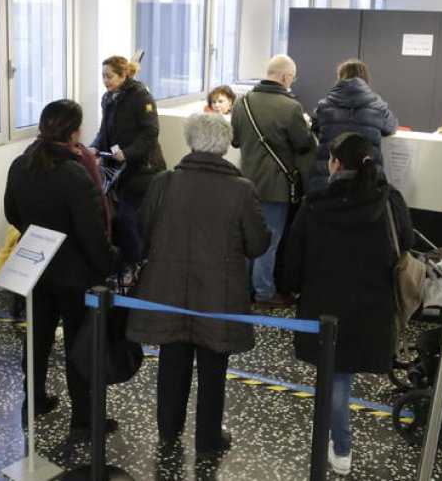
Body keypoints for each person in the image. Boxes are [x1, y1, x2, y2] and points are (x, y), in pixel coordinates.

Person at [127, 114, 270, 455]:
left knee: (172, 360)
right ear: (223, 147)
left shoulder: (164, 182)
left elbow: (144, 229)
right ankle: (208, 439)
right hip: (218, 295)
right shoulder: (241, 190)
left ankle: (168, 429)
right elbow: (258, 244)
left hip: (169, 290)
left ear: (191, 142)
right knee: (213, 367)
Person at [281, 132, 413, 477]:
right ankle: (338, 445)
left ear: (335, 163)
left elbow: (293, 260)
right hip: (371, 304)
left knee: (334, 376)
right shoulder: (389, 199)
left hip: (324, 303)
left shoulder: (315, 203)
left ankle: (341, 447)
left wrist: (291, 288)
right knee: (343, 377)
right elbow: (407, 243)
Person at [5, 99, 119, 441]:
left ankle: (34, 401)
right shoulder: (75, 173)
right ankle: (83, 420)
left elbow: (12, 214)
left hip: (34, 268)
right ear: (73, 132)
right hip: (74, 273)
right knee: (78, 345)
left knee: (37, 338)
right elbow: (92, 233)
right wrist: (110, 264)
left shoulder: (20, 164)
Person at [230, 54, 316, 309]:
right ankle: (265, 292)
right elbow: (302, 145)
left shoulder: (241, 102)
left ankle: (241, 288)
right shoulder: (291, 108)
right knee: (269, 241)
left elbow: (235, 140)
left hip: (244, 181)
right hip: (276, 185)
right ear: (286, 77)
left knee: (245, 237)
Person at [90, 56, 166, 271]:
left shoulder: (141, 96)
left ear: (123, 75)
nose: (105, 80)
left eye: (109, 76)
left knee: (132, 221)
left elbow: (150, 132)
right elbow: (104, 131)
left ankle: (137, 267)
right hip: (118, 171)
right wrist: (94, 147)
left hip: (143, 171)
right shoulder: (108, 98)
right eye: (103, 76)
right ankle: (128, 266)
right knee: (121, 221)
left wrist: (128, 153)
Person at [308, 58, 399, 191]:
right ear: (365, 78)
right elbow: (391, 127)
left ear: (340, 77)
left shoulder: (324, 105)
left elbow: (314, 127)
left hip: (327, 178)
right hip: (365, 180)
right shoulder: (378, 106)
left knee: (327, 211)